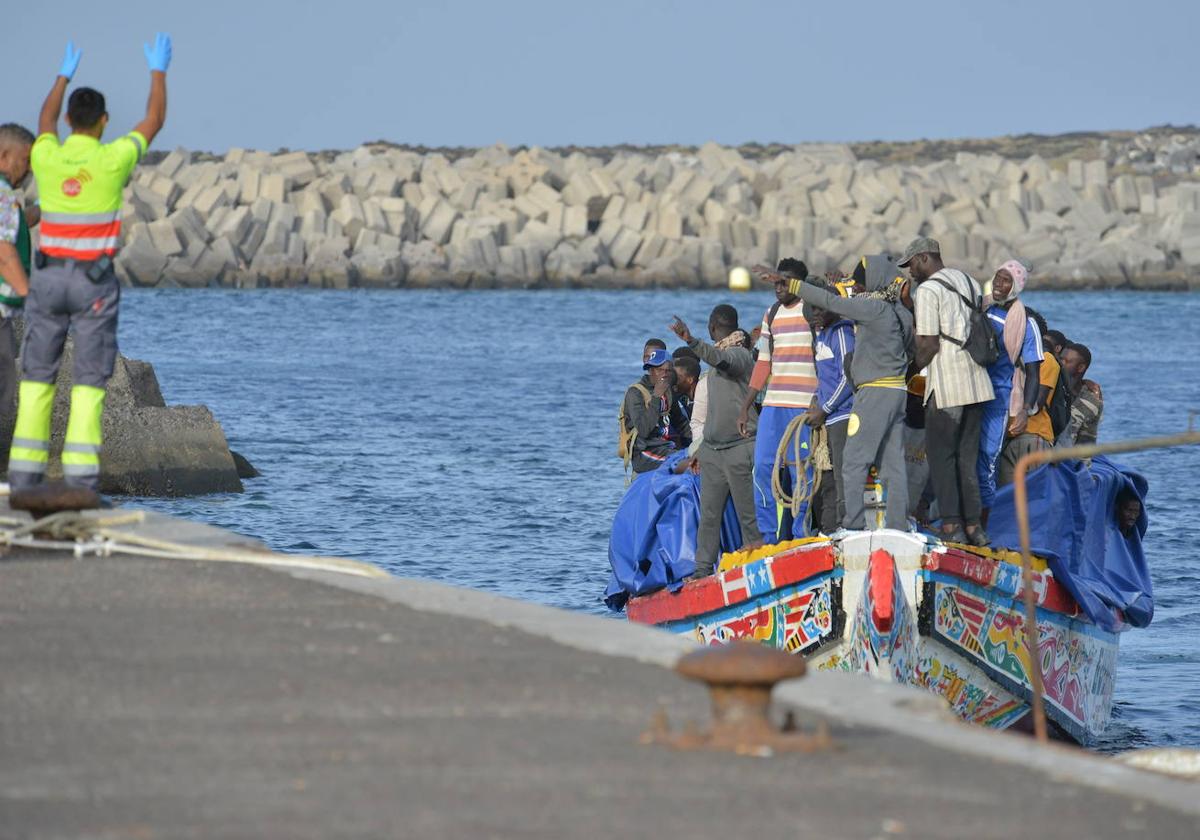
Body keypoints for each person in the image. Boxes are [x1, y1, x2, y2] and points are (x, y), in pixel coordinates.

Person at [9, 36, 171, 493]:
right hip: (93, 283)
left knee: (37, 377)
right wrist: (158, 71)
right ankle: (79, 482)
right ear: (103, 122)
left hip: (46, 279)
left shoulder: (47, 154)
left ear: (66, 122)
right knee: (88, 382)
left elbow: (42, 120)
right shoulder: (113, 158)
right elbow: (154, 120)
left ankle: (24, 479)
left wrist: (62, 76)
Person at [760, 255, 915, 532]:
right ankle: (897, 527)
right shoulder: (897, 310)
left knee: (853, 462)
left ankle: (852, 526)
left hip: (874, 393)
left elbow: (832, 302)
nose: (856, 287)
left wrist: (792, 285)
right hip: (897, 392)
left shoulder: (872, 307)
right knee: (893, 466)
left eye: (859, 283)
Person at [902, 237, 995, 546]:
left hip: (947, 384)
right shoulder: (968, 281)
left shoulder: (928, 290)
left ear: (924, 258)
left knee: (942, 458)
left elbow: (928, 343)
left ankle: (951, 526)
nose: (910, 272)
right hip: (978, 382)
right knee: (967, 460)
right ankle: (974, 528)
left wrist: (909, 372)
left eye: (912, 264)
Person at [670, 306, 761, 577]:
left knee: (748, 516)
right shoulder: (717, 364)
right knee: (709, 518)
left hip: (739, 448)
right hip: (713, 451)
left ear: (712, 328)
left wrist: (690, 341)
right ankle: (701, 570)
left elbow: (721, 359)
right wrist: (699, 451)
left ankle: (755, 567)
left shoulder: (740, 356)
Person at [737, 257, 817, 544]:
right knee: (763, 469)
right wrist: (746, 406)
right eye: (776, 281)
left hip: (804, 408)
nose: (778, 287)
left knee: (802, 473)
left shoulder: (812, 311)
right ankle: (768, 537)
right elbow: (763, 364)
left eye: (785, 282)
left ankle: (800, 535)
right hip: (773, 406)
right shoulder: (771, 314)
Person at [978, 260, 1043, 527]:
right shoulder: (979, 307)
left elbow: (1034, 372)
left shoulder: (1025, 323)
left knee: (987, 461)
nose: (998, 284)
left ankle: (983, 528)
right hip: (970, 393)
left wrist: (1026, 410)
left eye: (1006, 280)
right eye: (997, 277)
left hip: (998, 399)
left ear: (1016, 287)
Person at [0, 124, 35, 471]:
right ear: (4, 156)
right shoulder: (4, 195)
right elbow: (3, 250)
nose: (28, 168)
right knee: (3, 397)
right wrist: (29, 294)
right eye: (25, 159)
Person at [806, 293, 855, 532]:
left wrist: (824, 409)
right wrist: (816, 399)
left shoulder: (841, 333)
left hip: (843, 415)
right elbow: (825, 378)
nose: (815, 315)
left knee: (844, 475)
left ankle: (846, 525)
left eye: (819, 309)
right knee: (829, 478)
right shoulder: (821, 336)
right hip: (829, 417)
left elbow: (848, 378)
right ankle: (833, 527)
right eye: (812, 310)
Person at [997, 307, 1061, 485]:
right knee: (1008, 497)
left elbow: (1036, 403)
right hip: (1010, 438)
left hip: (1034, 435)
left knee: (1035, 493)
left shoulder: (1046, 360)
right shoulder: (1012, 358)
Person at [621, 348, 676, 475]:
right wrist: (656, 397)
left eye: (667, 370)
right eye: (659, 370)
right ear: (650, 370)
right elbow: (644, 430)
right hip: (643, 451)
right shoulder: (635, 393)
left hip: (665, 447)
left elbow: (681, 423)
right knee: (679, 461)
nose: (664, 374)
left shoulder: (668, 390)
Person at [1057, 342, 1103, 447]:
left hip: (1066, 459)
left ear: (1081, 368)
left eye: (1067, 361)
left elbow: (1087, 441)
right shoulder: (1050, 386)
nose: (1061, 363)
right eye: (1060, 359)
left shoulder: (1092, 400)